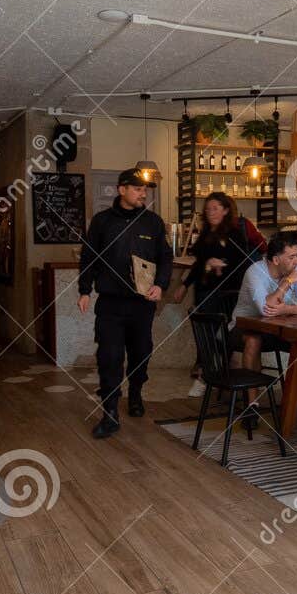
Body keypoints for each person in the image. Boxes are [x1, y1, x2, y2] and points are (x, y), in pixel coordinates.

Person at [78, 169, 173, 439]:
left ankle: (135, 393)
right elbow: (88, 257)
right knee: (109, 357)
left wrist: (161, 285)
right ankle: (109, 413)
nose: (143, 193)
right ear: (122, 190)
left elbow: (165, 258)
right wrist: (84, 290)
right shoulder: (101, 222)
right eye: (137, 188)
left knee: (141, 354)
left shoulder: (153, 222)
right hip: (109, 304)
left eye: (145, 189)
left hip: (141, 305)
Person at [231, 233, 297, 375]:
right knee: (254, 340)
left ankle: (296, 395)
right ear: (276, 260)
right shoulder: (255, 272)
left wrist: (286, 309)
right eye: (291, 257)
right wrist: (287, 282)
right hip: (241, 328)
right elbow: (266, 309)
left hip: (274, 329)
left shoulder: (296, 270)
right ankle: (253, 398)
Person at [171, 193, 262, 318]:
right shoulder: (204, 234)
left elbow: (242, 264)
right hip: (204, 292)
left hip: (226, 294)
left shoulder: (235, 234)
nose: (210, 212)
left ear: (225, 210)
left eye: (215, 208)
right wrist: (185, 285)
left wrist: (222, 264)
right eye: (208, 209)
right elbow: (198, 264)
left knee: (223, 332)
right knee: (205, 332)